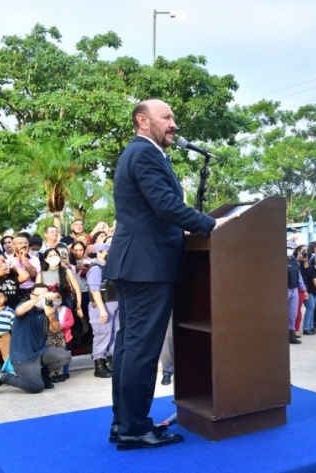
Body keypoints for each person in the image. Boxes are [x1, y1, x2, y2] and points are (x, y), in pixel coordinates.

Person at [104, 100, 233, 451]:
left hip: (138, 264)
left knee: (131, 348)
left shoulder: (139, 153)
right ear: (143, 121)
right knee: (141, 351)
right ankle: (134, 428)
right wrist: (210, 224)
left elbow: (154, 210)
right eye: (167, 117)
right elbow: (165, 204)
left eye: (174, 117)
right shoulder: (144, 154)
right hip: (147, 267)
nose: (173, 124)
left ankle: (124, 422)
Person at [0, 284, 71, 395]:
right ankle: (2, 375)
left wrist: (51, 316)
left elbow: (55, 330)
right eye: (39, 295)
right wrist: (40, 298)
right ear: (32, 296)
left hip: (40, 351)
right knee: (36, 387)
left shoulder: (49, 308)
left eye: (46, 295)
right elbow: (19, 312)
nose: (44, 298)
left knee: (65, 356)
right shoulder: (25, 306)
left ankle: (42, 374)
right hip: (23, 356)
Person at [86, 243, 117, 378]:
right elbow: (95, 290)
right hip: (103, 305)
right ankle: (99, 365)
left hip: (115, 304)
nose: (106, 254)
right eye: (103, 251)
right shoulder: (96, 268)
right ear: (97, 253)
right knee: (102, 334)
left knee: (115, 334)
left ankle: (110, 362)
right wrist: (102, 309)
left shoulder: (110, 266)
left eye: (107, 251)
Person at [287, 241, 306, 343]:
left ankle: (291, 334)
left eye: (291, 248)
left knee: (293, 314)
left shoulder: (295, 262)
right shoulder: (279, 261)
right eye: (287, 247)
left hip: (294, 289)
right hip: (284, 289)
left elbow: (299, 277)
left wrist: (303, 289)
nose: (289, 250)